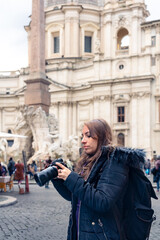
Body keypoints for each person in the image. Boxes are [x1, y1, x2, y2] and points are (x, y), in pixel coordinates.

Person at [49, 119, 146, 240]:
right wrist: (59, 179)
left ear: (102, 136)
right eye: (82, 136)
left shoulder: (115, 162)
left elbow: (103, 201)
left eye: (88, 136)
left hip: (103, 234)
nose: (83, 140)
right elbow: (76, 196)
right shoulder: (87, 162)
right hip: (81, 232)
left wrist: (72, 178)